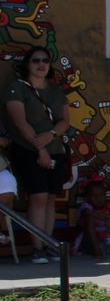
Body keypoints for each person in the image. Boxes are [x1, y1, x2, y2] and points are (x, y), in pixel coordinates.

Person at [4, 46, 71, 261]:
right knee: (39, 196)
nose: (41, 64)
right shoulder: (17, 88)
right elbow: (20, 122)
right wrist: (40, 148)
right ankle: (37, 247)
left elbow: (65, 121)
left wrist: (51, 135)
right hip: (27, 148)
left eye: (45, 60)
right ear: (27, 64)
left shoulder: (55, 91)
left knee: (51, 197)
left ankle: (49, 244)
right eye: (35, 60)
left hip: (55, 148)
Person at [70, 178, 110, 258]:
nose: (99, 199)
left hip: (109, 239)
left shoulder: (108, 206)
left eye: (102, 195)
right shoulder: (86, 206)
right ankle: (97, 251)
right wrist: (104, 217)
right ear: (88, 197)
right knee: (90, 218)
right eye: (94, 196)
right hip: (91, 242)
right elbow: (87, 212)